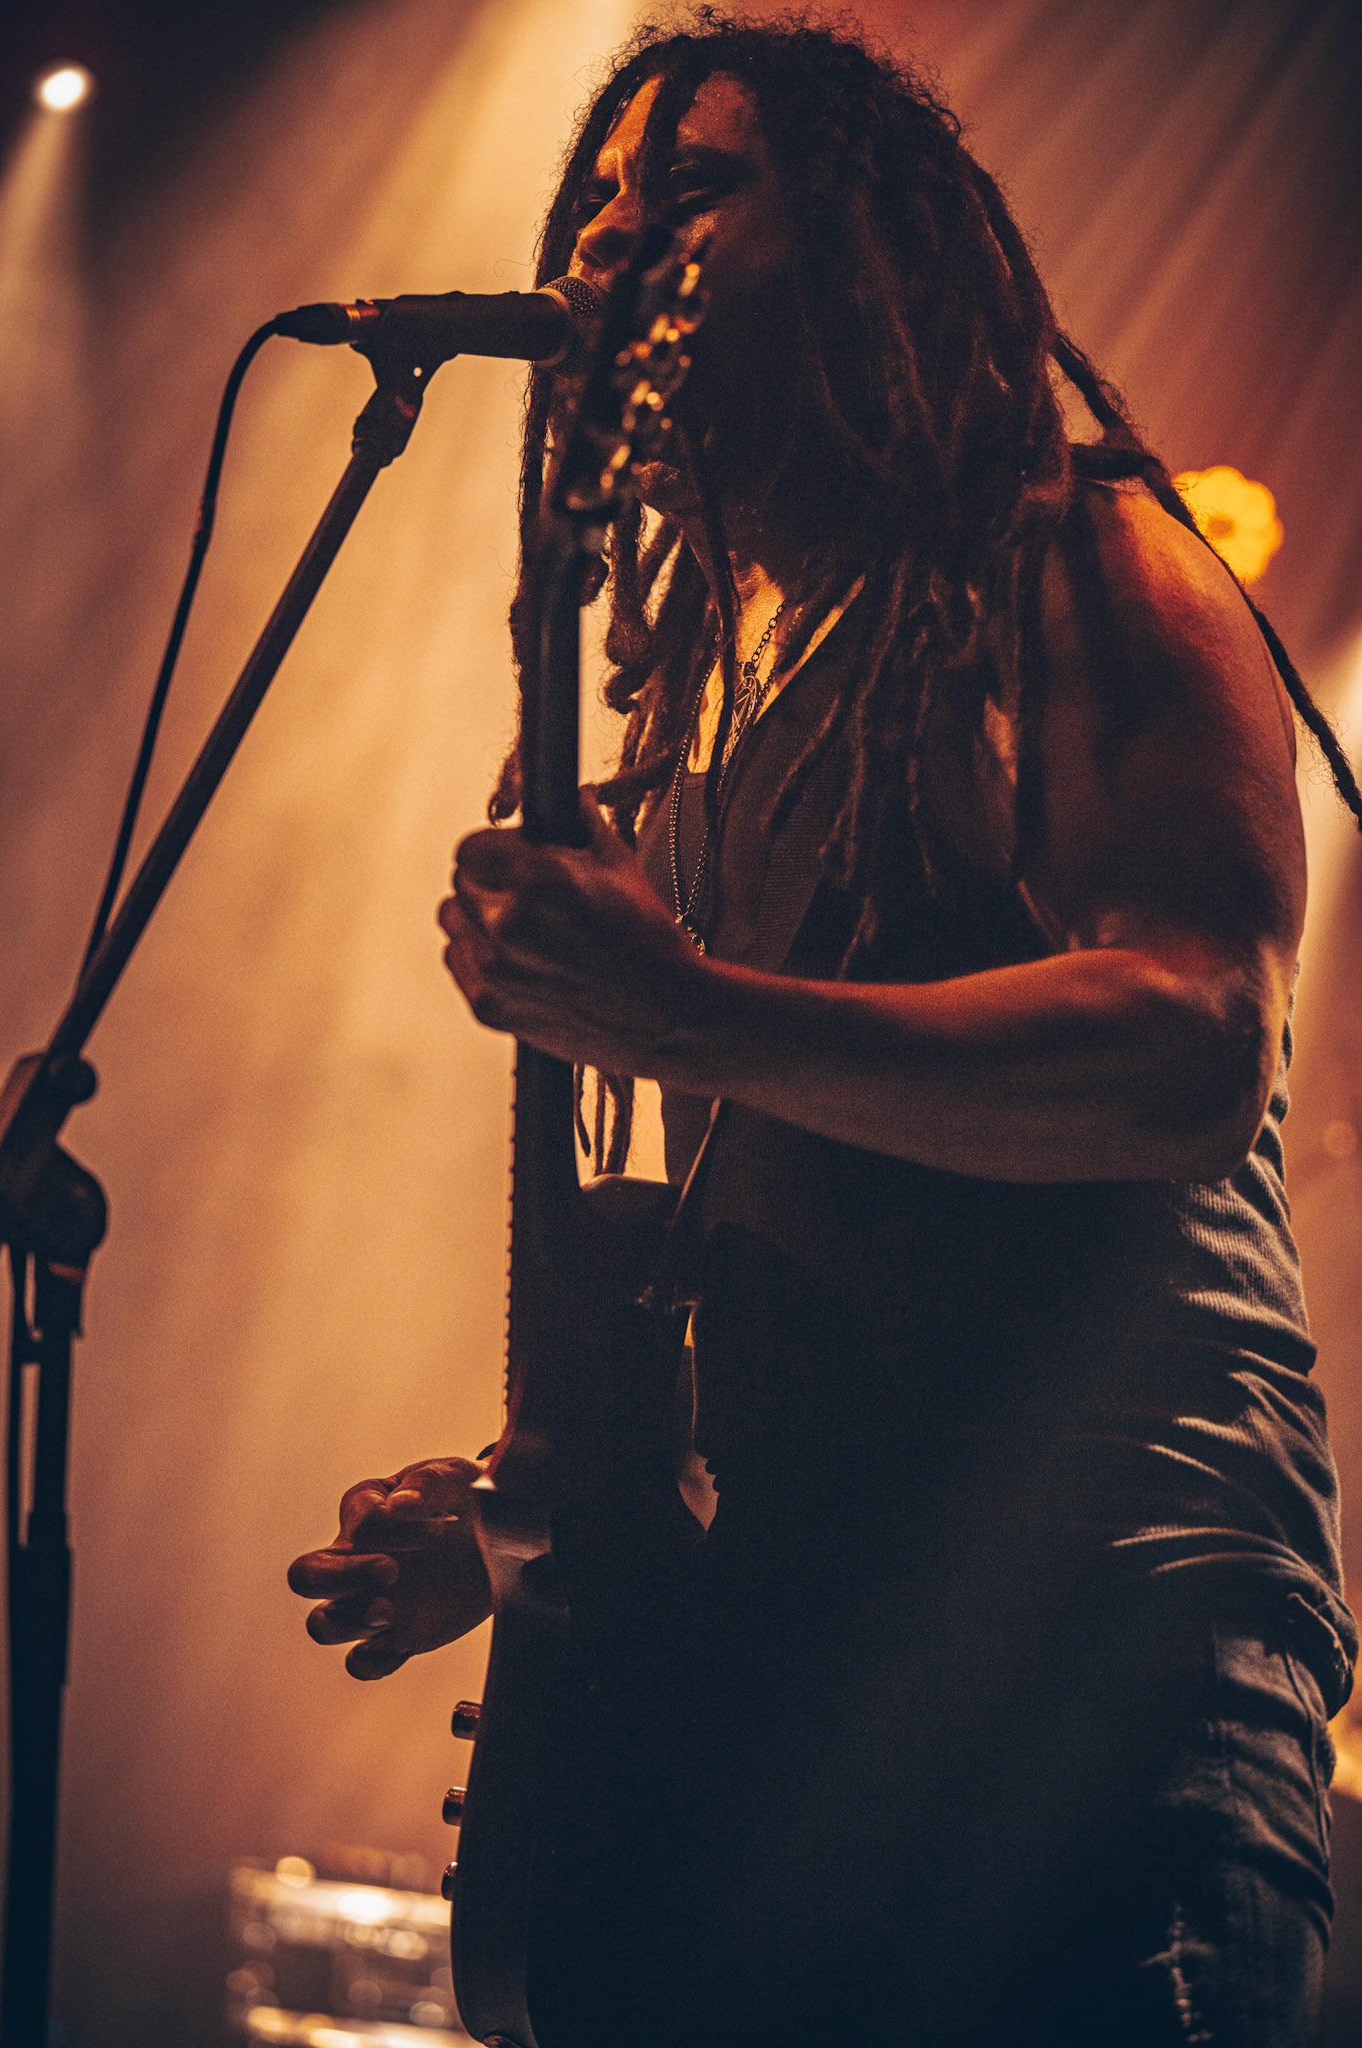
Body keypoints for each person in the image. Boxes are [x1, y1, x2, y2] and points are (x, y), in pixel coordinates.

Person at [288, 14, 1362, 2044]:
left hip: (1088, 1658)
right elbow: (774, 1264)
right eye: (598, 203)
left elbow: (1191, 1042)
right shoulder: (691, 733)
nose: (612, 244)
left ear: (875, 249)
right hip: (805, 1679)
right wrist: (526, 1523)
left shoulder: (1078, 564)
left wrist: (688, 1010)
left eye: (692, 189)